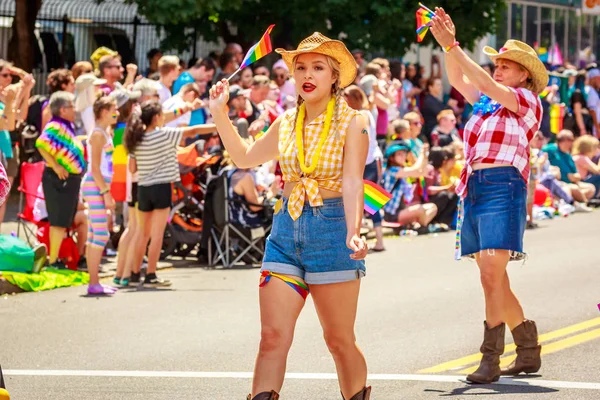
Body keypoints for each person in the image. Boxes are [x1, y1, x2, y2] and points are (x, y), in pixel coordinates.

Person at [209, 32, 371, 400]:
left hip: (331, 230)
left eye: (318, 67)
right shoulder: (286, 120)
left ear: (334, 77)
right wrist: (219, 113)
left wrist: (354, 231)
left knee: (339, 341)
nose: (307, 74)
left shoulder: (354, 121)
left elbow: (352, 182)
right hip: (285, 229)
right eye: (300, 67)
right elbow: (246, 158)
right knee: (272, 337)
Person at [430, 8, 547, 384]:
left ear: (523, 75)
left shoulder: (526, 100)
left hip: (503, 185)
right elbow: (459, 78)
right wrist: (447, 46)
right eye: (497, 64)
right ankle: (527, 350)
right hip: (476, 187)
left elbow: (485, 82)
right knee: (491, 277)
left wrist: (454, 44)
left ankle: (490, 359)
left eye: (507, 66)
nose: (498, 69)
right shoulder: (486, 103)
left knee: (492, 275)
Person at [125, 101, 216, 287]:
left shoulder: (137, 138)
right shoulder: (164, 134)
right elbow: (192, 131)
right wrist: (219, 125)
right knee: (157, 235)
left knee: (143, 234)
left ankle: (134, 275)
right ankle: (151, 274)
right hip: (161, 187)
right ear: (157, 118)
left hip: (143, 188)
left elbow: (132, 168)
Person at [35, 91, 85, 269]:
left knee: (63, 222)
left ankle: (56, 258)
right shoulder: (55, 126)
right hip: (58, 180)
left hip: (69, 180)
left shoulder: (65, 126)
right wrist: (55, 165)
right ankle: (53, 260)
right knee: (58, 222)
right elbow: (41, 143)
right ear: (63, 109)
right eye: (72, 106)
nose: (74, 110)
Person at [81, 96, 119, 295]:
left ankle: (94, 281)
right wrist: (106, 193)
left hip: (98, 185)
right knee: (100, 234)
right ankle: (93, 282)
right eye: (114, 109)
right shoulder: (98, 134)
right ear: (104, 112)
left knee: (96, 234)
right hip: (96, 186)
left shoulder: (104, 132)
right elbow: (95, 168)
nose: (117, 112)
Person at [344, 84, 385, 251]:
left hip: (367, 163)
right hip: (371, 161)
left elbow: (363, 136)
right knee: (369, 202)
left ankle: (377, 240)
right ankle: (377, 239)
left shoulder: (361, 115)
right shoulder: (367, 113)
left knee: (368, 202)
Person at [382, 142, 437, 230]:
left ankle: (420, 227)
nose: (403, 156)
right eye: (399, 154)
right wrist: (422, 153)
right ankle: (421, 228)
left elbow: (421, 172)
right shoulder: (392, 170)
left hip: (402, 209)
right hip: (392, 214)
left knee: (432, 207)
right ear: (392, 158)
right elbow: (416, 170)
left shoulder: (402, 169)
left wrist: (425, 156)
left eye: (404, 154)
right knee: (420, 209)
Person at [544, 129, 596, 202]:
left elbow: (577, 174)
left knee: (591, 188)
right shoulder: (551, 149)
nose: (570, 142)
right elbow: (540, 156)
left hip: (573, 182)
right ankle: (576, 201)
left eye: (571, 139)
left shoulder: (568, 155)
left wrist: (575, 177)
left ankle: (573, 200)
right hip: (559, 182)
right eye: (569, 139)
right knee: (573, 189)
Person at [426, 147, 459, 226]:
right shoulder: (430, 169)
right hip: (426, 200)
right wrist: (446, 188)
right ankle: (432, 220)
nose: (444, 161)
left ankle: (443, 221)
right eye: (443, 158)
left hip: (435, 198)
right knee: (444, 195)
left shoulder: (437, 171)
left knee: (453, 196)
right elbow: (428, 190)